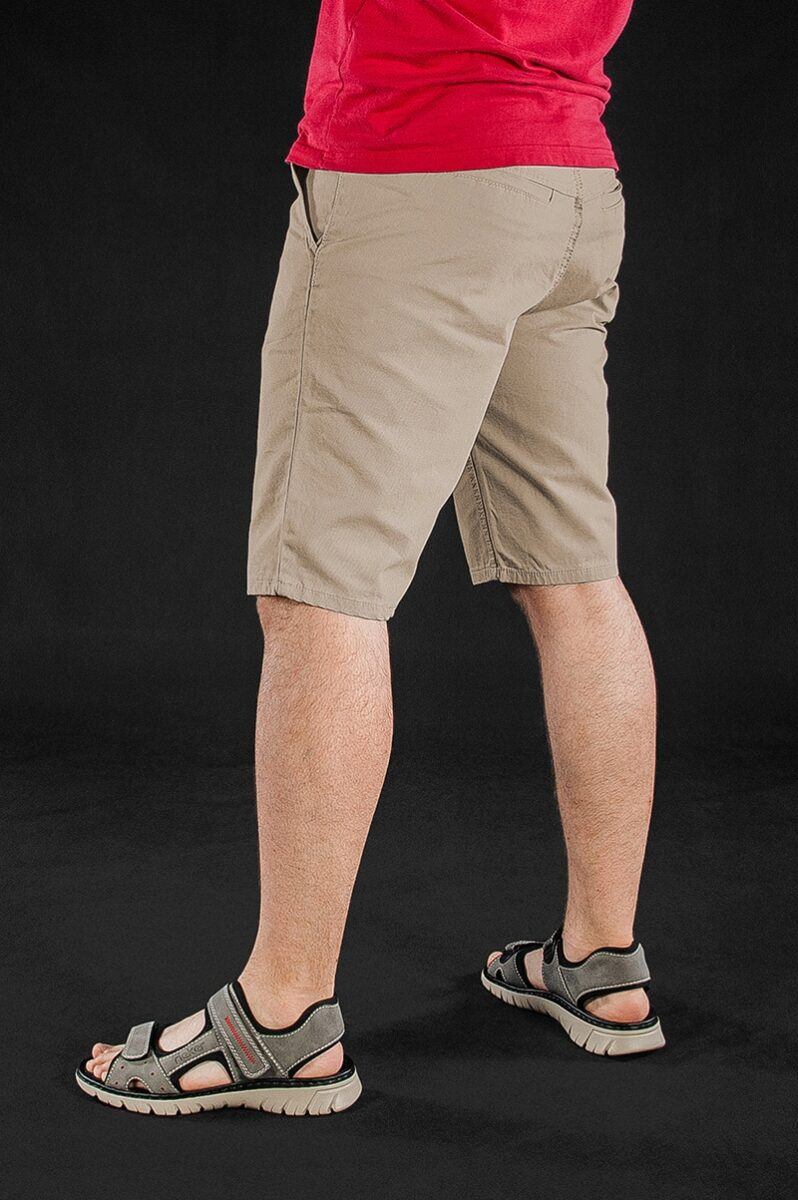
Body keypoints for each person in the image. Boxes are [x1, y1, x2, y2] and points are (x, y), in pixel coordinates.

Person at [77, 0, 664, 1118]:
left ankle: (281, 1020)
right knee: (577, 577)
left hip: (416, 171)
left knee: (322, 592)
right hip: (570, 183)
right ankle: (603, 962)